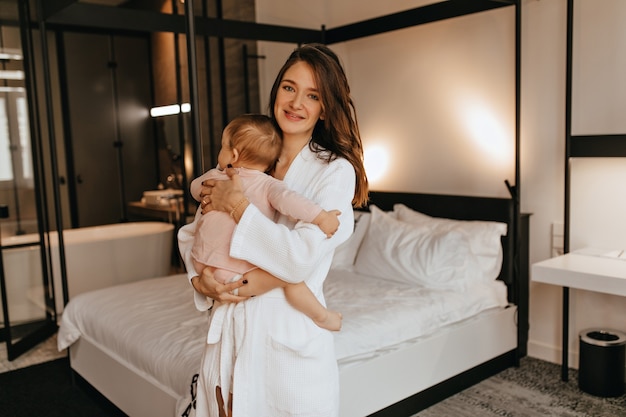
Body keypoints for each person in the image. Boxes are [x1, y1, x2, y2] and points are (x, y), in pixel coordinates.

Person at [177, 43, 369, 417]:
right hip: (231, 326)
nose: (296, 102)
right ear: (276, 89)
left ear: (325, 107)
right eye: (289, 87)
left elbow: (298, 259)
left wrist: (238, 207)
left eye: (312, 95)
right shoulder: (250, 155)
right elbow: (196, 232)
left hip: (288, 339)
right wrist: (199, 281)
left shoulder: (334, 171)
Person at [187, 113, 343, 331]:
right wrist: (321, 216)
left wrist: (207, 185)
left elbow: (195, 188)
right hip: (232, 273)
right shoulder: (268, 185)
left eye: (222, 146)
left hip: (202, 264)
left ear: (233, 154)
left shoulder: (215, 178)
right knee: (290, 279)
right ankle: (323, 317)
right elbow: (292, 202)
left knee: (291, 272)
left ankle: (323, 317)